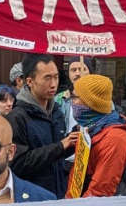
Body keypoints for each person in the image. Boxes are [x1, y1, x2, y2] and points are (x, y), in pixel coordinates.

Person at [8, 54, 76, 197]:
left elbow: (58, 153)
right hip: (32, 197)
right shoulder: (17, 117)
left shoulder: (56, 111)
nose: (53, 84)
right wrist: (60, 146)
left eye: (56, 77)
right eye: (47, 78)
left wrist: (73, 140)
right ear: (30, 81)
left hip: (58, 193)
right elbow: (18, 164)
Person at [69, 75, 126, 197]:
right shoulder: (89, 129)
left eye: (75, 97)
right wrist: (69, 200)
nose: (72, 102)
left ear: (91, 103)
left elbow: (100, 192)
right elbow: (77, 177)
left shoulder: (115, 139)